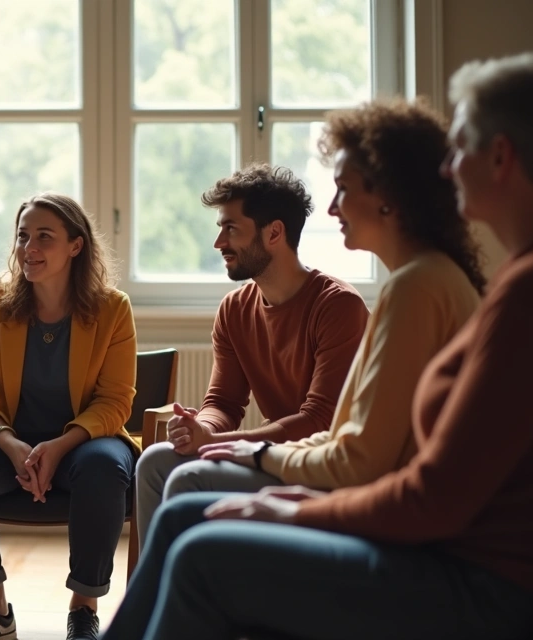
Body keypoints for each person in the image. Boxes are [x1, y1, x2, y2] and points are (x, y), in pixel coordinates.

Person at [101, 50, 533, 640]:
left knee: (199, 550)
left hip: (465, 571)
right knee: (184, 504)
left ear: (501, 157)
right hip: (434, 539)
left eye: (460, 147)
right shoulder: (459, 281)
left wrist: (281, 489)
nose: (449, 168)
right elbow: (339, 438)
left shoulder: (442, 288)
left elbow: (388, 471)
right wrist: (224, 438)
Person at [164, 98, 485, 503]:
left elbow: (354, 452)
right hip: (368, 489)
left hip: (397, 509)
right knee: (164, 465)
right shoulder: (417, 281)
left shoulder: (411, 288)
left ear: (388, 197)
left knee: (186, 489)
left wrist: (256, 456)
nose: (332, 208)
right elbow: (349, 440)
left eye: (344, 189)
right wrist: (217, 437)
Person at [134, 164, 369, 553]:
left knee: (188, 479)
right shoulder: (234, 309)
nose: (218, 243)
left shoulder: (338, 306)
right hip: (271, 457)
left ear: (274, 233)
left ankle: (186, 585)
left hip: (324, 468)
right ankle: (155, 585)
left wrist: (215, 441)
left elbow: (319, 421)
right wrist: (198, 428)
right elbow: (223, 403)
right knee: (155, 461)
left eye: (231, 229)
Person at [0, 193, 137, 640]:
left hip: (83, 444)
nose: (30, 248)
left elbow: (115, 401)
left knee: (105, 466)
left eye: (45, 237)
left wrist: (60, 446)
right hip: (8, 444)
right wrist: (8, 442)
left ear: (76, 246)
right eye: (23, 236)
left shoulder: (113, 308)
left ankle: (83, 611)